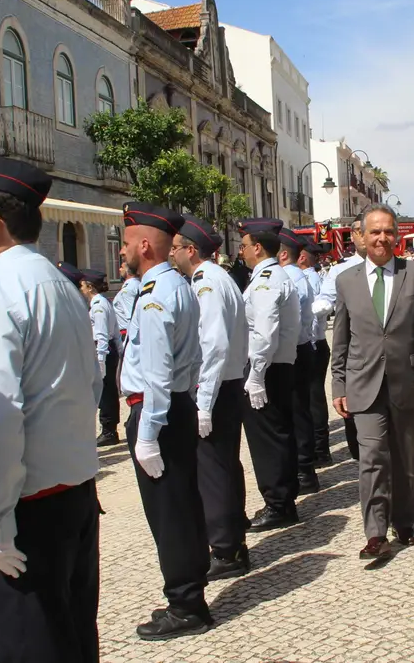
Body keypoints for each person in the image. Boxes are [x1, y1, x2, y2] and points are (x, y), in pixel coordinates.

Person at [0, 156, 102, 662]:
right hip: (71, 494)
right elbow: (92, 381)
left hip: (24, 509)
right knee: (74, 641)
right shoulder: (57, 284)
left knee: (30, 646)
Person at [115, 202, 212, 639]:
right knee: (182, 504)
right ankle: (189, 594)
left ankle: (186, 603)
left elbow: (155, 374)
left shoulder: (156, 294)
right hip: (175, 407)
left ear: (145, 245)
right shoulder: (175, 285)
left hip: (159, 412)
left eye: (125, 242)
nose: (123, 251)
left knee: (169, 511)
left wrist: (148, 435)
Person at [331, 203, 414, 560]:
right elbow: (341, 337)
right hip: (363, 385)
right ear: (361, 237)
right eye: (375, 231)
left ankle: (405, 520)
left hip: (408, 382)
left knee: (406, 460)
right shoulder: (346, 281)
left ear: (397, 236)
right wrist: (338, 384)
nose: (382, 238)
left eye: (389, 231)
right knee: (371, 459)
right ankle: (375, 534)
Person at [171, 214, 251, 582]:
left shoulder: (206, 282)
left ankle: (225, 548)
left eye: (175, 249)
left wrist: (203, 401)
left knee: (214, 472)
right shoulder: (214, 279)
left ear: (191, 250)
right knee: (224, 468)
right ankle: (233, 540)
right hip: (225, 385)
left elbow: (213, 345)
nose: (171, 255)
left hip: (216, 389)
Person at [238, 218, 302, 531]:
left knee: (268, 438)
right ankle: (283, 497)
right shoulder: (271, 275)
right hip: (276, 366)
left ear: (258, 248)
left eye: (244, 245)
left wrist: (256, 375)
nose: (242, 251)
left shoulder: (266, 279)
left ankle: (278, 503)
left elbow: (264, 332)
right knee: (278, 433)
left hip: (267, 367)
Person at [313, 214, 367, 460]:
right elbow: (326, 299)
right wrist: (320, 307)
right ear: (353, 235)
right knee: (357, 429)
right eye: (359, 230)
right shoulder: (340, 272)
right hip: (356, 359)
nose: (366, 236)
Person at [278, 228, 321, 493]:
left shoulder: (290, 279)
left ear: (283, 254)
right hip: (302, 347)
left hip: (294, 350)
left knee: (296, 412)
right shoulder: (296, 276)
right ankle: (305, 467)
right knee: (300, 410)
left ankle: (304, 470)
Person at [81, 268, 122, 450]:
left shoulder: (98, 306)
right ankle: (109, 428)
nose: (80, 289)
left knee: (106, 393)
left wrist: (100, 362)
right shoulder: (103, 302)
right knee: (109, 392)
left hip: (103, 351)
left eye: (82, 285)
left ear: (89, 287)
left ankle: (109, 430)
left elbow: (102, 336)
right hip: (108, 350)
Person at [301, 242, 333, 466]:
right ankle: (319, 448)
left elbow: (312, 316)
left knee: (314, 399)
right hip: (315, 342)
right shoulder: (310, 277)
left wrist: (310, 343)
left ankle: (321, 450)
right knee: (313, 398)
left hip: (314, 343)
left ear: (303, 258)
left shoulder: (309, 278)